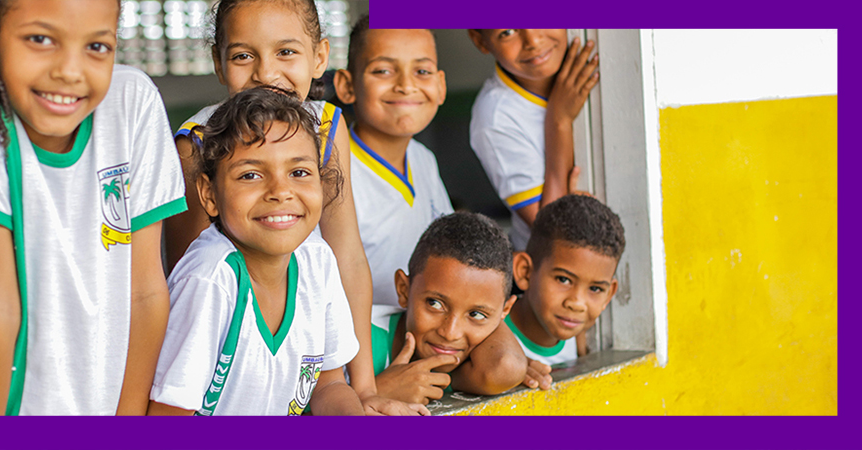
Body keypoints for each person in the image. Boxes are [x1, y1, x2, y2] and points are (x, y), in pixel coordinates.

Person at [0, 0, 185, 414]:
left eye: (97, 47)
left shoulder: (133, 103)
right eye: (40, 39)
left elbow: (145, 293)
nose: (70, 71)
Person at [161, 0, 394, 414]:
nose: (266, 74)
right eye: (243, 55)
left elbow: (346, 254)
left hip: (302, 335)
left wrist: (364, 389)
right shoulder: (197, 143)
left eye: (285, 52)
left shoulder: (326, 127)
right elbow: (192, 283)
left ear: (319, 56)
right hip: (228, 369)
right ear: (219, 64)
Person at [333, 17, 453, 321]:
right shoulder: (332, 168)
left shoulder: (423, 159)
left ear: (440, 86)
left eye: (422, 71)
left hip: (424, 329)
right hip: (359, 343)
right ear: (347, 86)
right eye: (383, 70)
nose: (406, 85)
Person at [369, 212, 526, 405]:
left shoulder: (471, 362)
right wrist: (377, 393)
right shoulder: (357, 339)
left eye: (476, 314)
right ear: (404, 290)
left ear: (505, 311)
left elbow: (506, 367)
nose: (450, 333)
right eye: (435, 304)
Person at [467, 29, 600, 251]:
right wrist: (559, 120)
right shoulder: (494, 117)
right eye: (507, 31)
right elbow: (552, 232)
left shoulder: (592, 56)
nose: (533, 41)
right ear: (480, 40)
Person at [509, 194, 625, 389]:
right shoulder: (485, 335)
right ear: (525, 272)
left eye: (595, 289)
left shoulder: (577, 337)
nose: (577, 303)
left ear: (609, 294)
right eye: (563, 280)